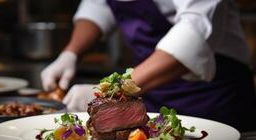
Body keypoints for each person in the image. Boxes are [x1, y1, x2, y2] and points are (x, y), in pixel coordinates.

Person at [41, 0, 256, 132]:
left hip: (212, 95)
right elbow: (97, 6)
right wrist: (70, 53)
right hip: (150, 89)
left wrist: (108, 92)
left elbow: (196, 29)